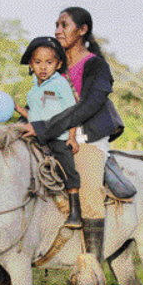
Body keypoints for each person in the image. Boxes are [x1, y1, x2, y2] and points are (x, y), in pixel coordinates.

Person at [20, 7, 123, 285]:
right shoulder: (52, 62)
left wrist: (44, 128)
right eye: (56, 24)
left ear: (82, 30)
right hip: (52, 135)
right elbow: (40, 101)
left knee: (88, 188)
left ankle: (92, 264)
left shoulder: (96, 66)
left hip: (86, 138)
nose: (57, 30)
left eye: (64, 25)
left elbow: (88, 106)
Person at [14, 36, 83, 229]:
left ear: (58, 64)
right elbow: (35, 117)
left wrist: (71, 137)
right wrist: (18, 108)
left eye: (49, 62)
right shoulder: (33, 91)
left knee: (66, 166)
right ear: (30, 64)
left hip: (58, 137)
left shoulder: (59, 83)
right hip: (39, 135)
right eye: (38, 62)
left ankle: (75, 211)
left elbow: (71, 111)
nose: (43, 67)